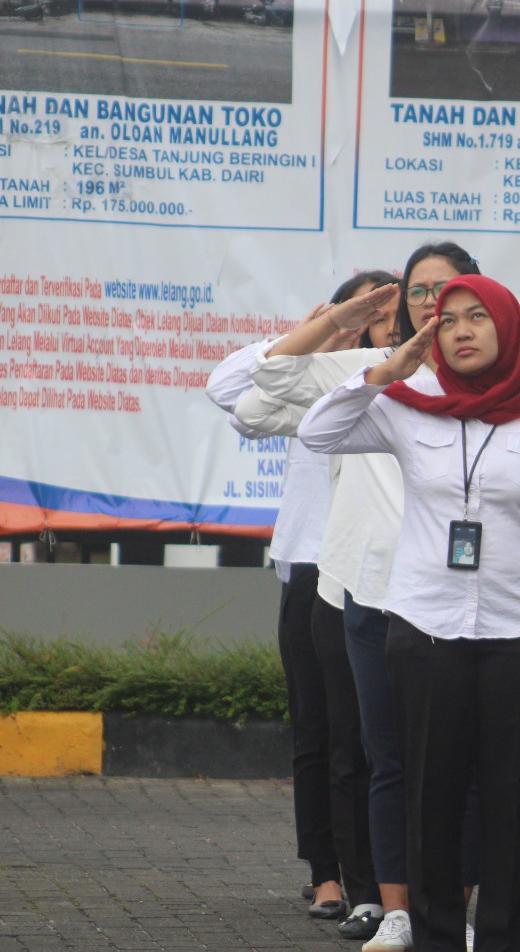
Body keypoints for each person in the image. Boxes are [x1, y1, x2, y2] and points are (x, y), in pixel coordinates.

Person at [298, 274, 520, 952]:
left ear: (507, 327)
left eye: (477, 317)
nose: (461, 330)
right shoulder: (407, 405)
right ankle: (436, 939)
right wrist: (388, 369)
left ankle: (499, 940)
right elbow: (319, 432)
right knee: (429, 801)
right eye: (447, 320)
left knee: (509, 802)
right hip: (426, 628)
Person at [233, 242, 487, 952]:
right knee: (386, 757)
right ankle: (396, 907)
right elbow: (268, 375)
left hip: (455, 595)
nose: (431, 302)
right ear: (401, 303)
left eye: (447, 288)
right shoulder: (361, 369)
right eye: (418, 291)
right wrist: (342, 320)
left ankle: (455, 908)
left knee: (456, 758)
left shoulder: (491, 381)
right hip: (369, 590)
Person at [204, 271, 396, 935]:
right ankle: (328, 870)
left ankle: (384, 877)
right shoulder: (320, 371)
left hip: (385, 569)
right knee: (319, 731)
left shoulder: (405, 379)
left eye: (396, 307)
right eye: (373, 309)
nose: (386, 319)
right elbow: (230, 390)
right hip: (315, 564)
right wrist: (318, 331)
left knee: (369, 736)